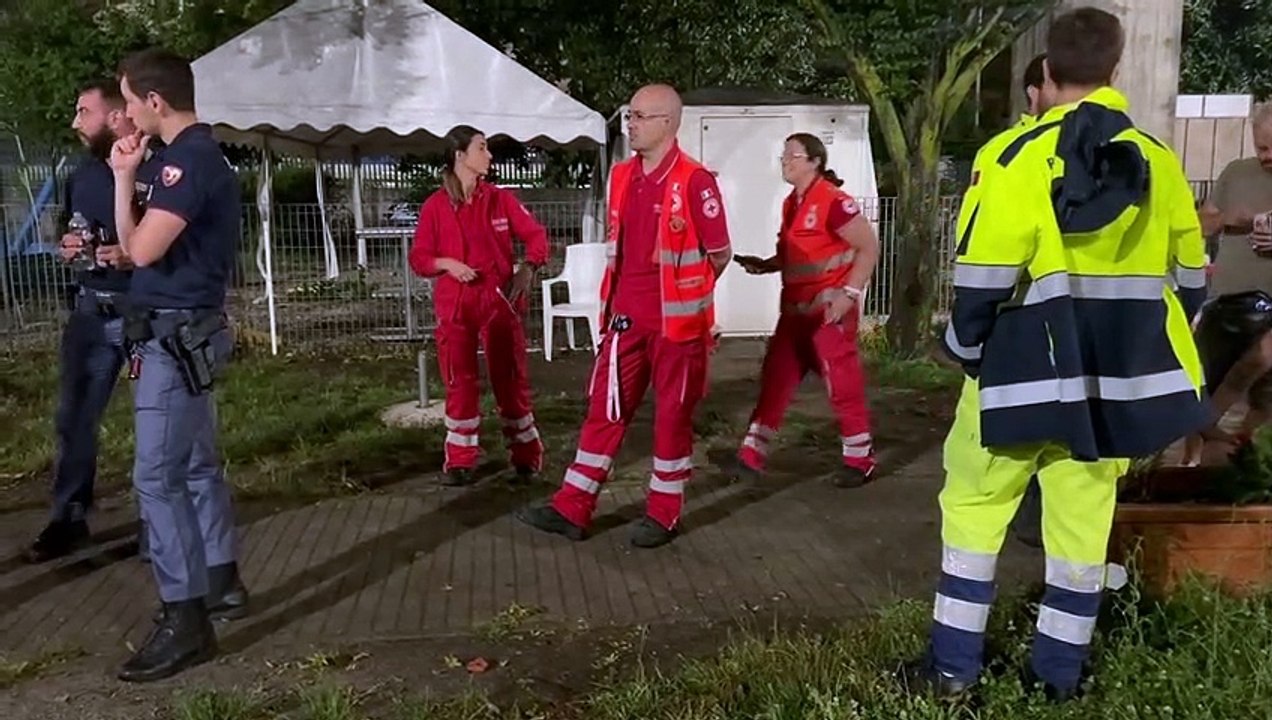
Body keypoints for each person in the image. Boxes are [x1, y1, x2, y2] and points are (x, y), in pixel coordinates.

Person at [906, 7, 1209, 702]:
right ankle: (1057, 679)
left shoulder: (1010, 156)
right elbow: (1192, 279)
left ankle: (952, 671)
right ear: (1116, 69)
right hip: (1109, 391)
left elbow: (982, 279)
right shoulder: (1159, 162)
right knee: (1080, 533)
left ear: (1044, 70)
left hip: (1015, 379)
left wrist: (963, 349)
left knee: (975, 514)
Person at [516, 83, 733, 549]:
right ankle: (572, 508)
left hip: (678, 329)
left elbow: (720, 253)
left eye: (639, 116)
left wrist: (689, 295)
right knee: (604, 411)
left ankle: (663, 514)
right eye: (628, 116)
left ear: (667, 123)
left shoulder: (695, 181)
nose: (629, 124)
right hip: (625, 320)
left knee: (672, 418)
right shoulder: (621, 176)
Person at [109, 48, 249, 682]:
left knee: (156, 478)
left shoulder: (184, 163)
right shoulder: (193, 158)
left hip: (173, 338)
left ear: (155, 101)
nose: (127, 114)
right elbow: (141, 248)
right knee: (194, 465)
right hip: (185, 332)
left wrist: (124, 181)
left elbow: (141, 251)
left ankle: (184, 617)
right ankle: (219, 581)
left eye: (129, 101)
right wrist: (127, 182)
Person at [24, 79, 157, 564]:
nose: (75, 122)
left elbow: (176, 240)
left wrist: (134, 254)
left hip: (144, 311)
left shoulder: (159, 169)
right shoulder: (82, 174)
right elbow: (70, 227)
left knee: (156, 422)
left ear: (117, 116)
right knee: (74, 419)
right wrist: (69, 247)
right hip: (90, 312)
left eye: (84, 111)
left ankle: (158, 525)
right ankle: (69, 517)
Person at [727, 133, 880, 487]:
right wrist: (766, 265)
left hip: (828, 312)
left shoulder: (833, 201)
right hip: (796, 313)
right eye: (784, 155)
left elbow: (868, 247)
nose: (785, 161)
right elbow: (796, 256)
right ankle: (750, 456)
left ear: (815, 161)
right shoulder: (791, 204)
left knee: (841, 384)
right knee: (775, 380)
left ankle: (860, 459)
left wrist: (848, 295)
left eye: (793, 155)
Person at [408, 125, 550, 486]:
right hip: (456, 307)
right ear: (460, 156)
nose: (489, 155)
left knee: (510, 380)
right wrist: (446, 264)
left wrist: (529, 268)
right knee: (460, 382)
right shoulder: (435, 206)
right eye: (482, 148)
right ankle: (460, 460)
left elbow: (536, 236)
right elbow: (419, 257)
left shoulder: (500, 200)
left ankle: (526, 456)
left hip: (498, 304)